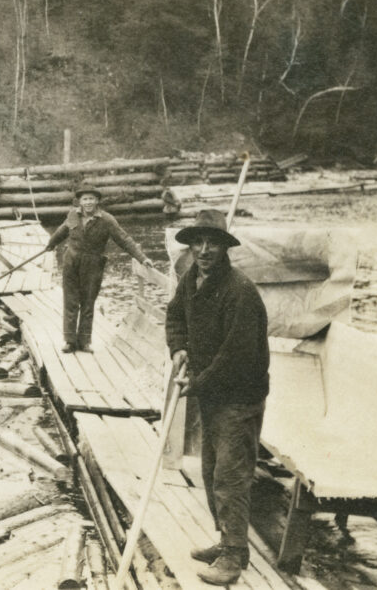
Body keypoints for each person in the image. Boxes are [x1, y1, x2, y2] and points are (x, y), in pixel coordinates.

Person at [164, 208, 270, 586]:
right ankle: (226, 540)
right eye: (199, 242)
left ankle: (234, 557)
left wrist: (198, 383)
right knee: (209, 471)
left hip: (239, 396)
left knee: (231, 476)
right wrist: (178, 349)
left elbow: (235, 355)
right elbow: (175, 315)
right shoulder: (192, 278)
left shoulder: (239, 291)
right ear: (191, 246)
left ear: (225, 248)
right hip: (211, 392)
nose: (205, 249)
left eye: (213, 243)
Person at [45, 185, 153, 353]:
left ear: (97, 201)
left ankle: (85, 341)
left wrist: (142, 258)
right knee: (70, 301)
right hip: (71, 261)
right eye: (85, 199)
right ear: (79, 201)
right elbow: (63, 230)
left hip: (93, 264)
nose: (88, 202)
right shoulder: (73, 214)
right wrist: (51, 243)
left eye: (91, 199)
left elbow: (124, 239)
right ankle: (70, 341)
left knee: (88, 303)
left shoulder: (107, 220)